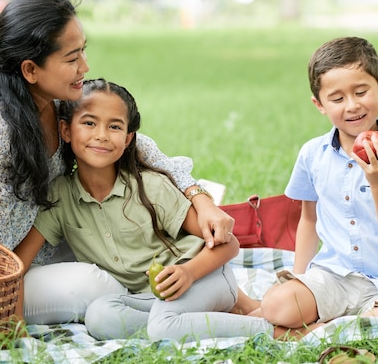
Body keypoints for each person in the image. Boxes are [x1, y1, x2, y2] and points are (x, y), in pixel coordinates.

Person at [0, 0, 234, 324]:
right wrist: (11, 326)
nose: (85, 67)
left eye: (83, 50)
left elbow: (136, 146)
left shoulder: (54, 102)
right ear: (30, 69)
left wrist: (200, 200)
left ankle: (204, 295)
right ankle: (167, 316)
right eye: (72, 57)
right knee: (98, 283)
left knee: (145, 219)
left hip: (40, 250)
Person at [14, 79, 273, 341]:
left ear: (128, 139)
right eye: (89, 123)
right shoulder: (60, 195)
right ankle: (204, 322)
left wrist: (188, 272)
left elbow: (229, 245)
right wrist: (12, 318)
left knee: (162, 325)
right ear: (66, 130)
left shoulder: (150, 187)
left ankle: (275, 330)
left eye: (114, 126)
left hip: (203, 278)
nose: (102, 135)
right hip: (148, 299)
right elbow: (18, 264)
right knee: (100, 317)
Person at [251, 36, 378, 339]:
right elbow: (308, 220)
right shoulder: (312, 153)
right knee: (277, 304)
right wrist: (301, 279)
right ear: (319, 105)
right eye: (337, 99)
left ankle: (316, 330)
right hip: (333, 277)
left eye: (361, 92)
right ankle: (348, 326)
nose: (352, 106)